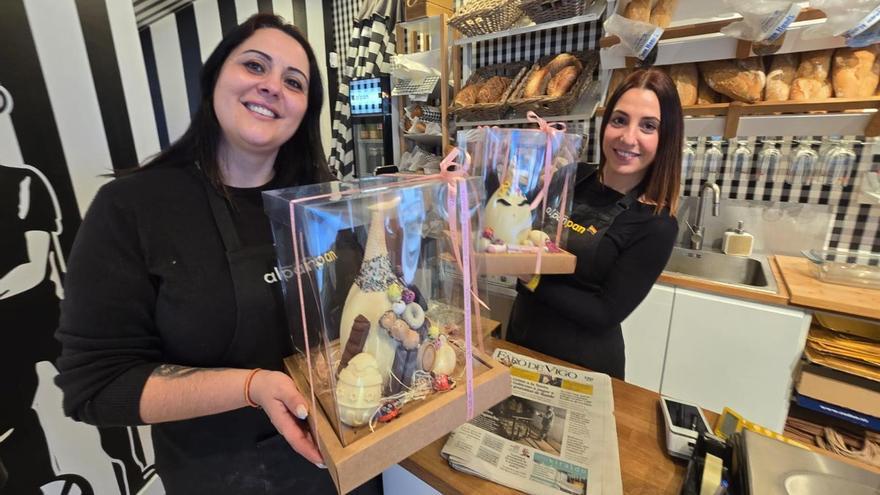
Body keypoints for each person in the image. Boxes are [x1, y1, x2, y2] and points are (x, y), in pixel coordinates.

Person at [55, 14, 378, 494]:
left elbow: (365, 309)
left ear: (305, 110)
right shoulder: (132, 208)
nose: (272, 87)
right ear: (214, 78)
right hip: (224, 476)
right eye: (254, 66)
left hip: (351, 462)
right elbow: (96, 386)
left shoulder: (325, 203)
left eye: (293, 81)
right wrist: (252, 387)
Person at [507, 68, 682, 379]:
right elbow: (523, 234)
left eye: (648, 126)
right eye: (619, 120)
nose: (628, 137)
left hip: (583, 365)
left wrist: (531, 279)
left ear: (665, 137)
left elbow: (605, 312)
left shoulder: (656, 224)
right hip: (522, 340)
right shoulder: (571, 176)